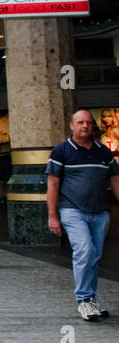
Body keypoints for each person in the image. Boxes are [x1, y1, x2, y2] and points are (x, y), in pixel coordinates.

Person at [48, 110, 119, 321]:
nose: (85, 126)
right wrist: (52, 216)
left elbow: (115, 180)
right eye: (80, 122)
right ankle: (83, 300)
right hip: (72, 210)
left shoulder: (103, 153)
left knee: (94, 257)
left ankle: (91, 300)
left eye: (88, 122)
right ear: (72, 126)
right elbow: (52, 184)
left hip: (100, 213)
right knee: (84, 250)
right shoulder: (61, 152)